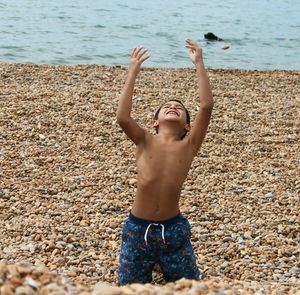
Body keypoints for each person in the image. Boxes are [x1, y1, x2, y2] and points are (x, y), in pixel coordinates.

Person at [116, 38, 214, 285]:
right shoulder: (144, 140)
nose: (172, 107)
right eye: (167, 107)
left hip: (173, 231)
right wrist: (133, 70)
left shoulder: (189, 145)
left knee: (191, 287)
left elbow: (206, 106)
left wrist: (199, 63)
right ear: (155, 122)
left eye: (178, 107)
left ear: (187, 126)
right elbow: (123, 117)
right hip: (137, 230)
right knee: (128, 289)